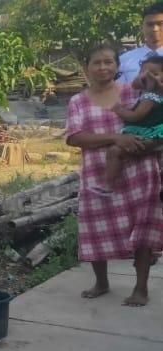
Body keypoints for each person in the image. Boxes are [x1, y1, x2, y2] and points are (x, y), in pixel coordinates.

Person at [65, 43, 163, 307]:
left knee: (142, 228)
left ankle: (141, 288)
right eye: (96, 63)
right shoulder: (78, 101)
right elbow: (74, 137)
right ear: (87, 68)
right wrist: (116, 138)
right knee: (95, 226)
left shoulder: (134, 90)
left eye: (109, 62)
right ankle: (101, 282)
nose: (103, 67)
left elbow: (155, 105)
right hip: (98, 174)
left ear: (118, 66)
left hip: (139, 169)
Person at [108, 55, 163, 186]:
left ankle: (108, 185)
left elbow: (136, 116)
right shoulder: (148, 92)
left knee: (114, 151)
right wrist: (145, 77)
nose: (147, 76)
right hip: (152, 133)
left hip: (151, 134)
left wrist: (118, 110)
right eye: (143, 72)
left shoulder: (152, 96)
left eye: (154, 73)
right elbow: (134, 84)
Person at [119, 3, 163, 84]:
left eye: (160, 24)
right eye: (150, 24)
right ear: (141, 27)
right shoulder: (124, 60)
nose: (155, 29)